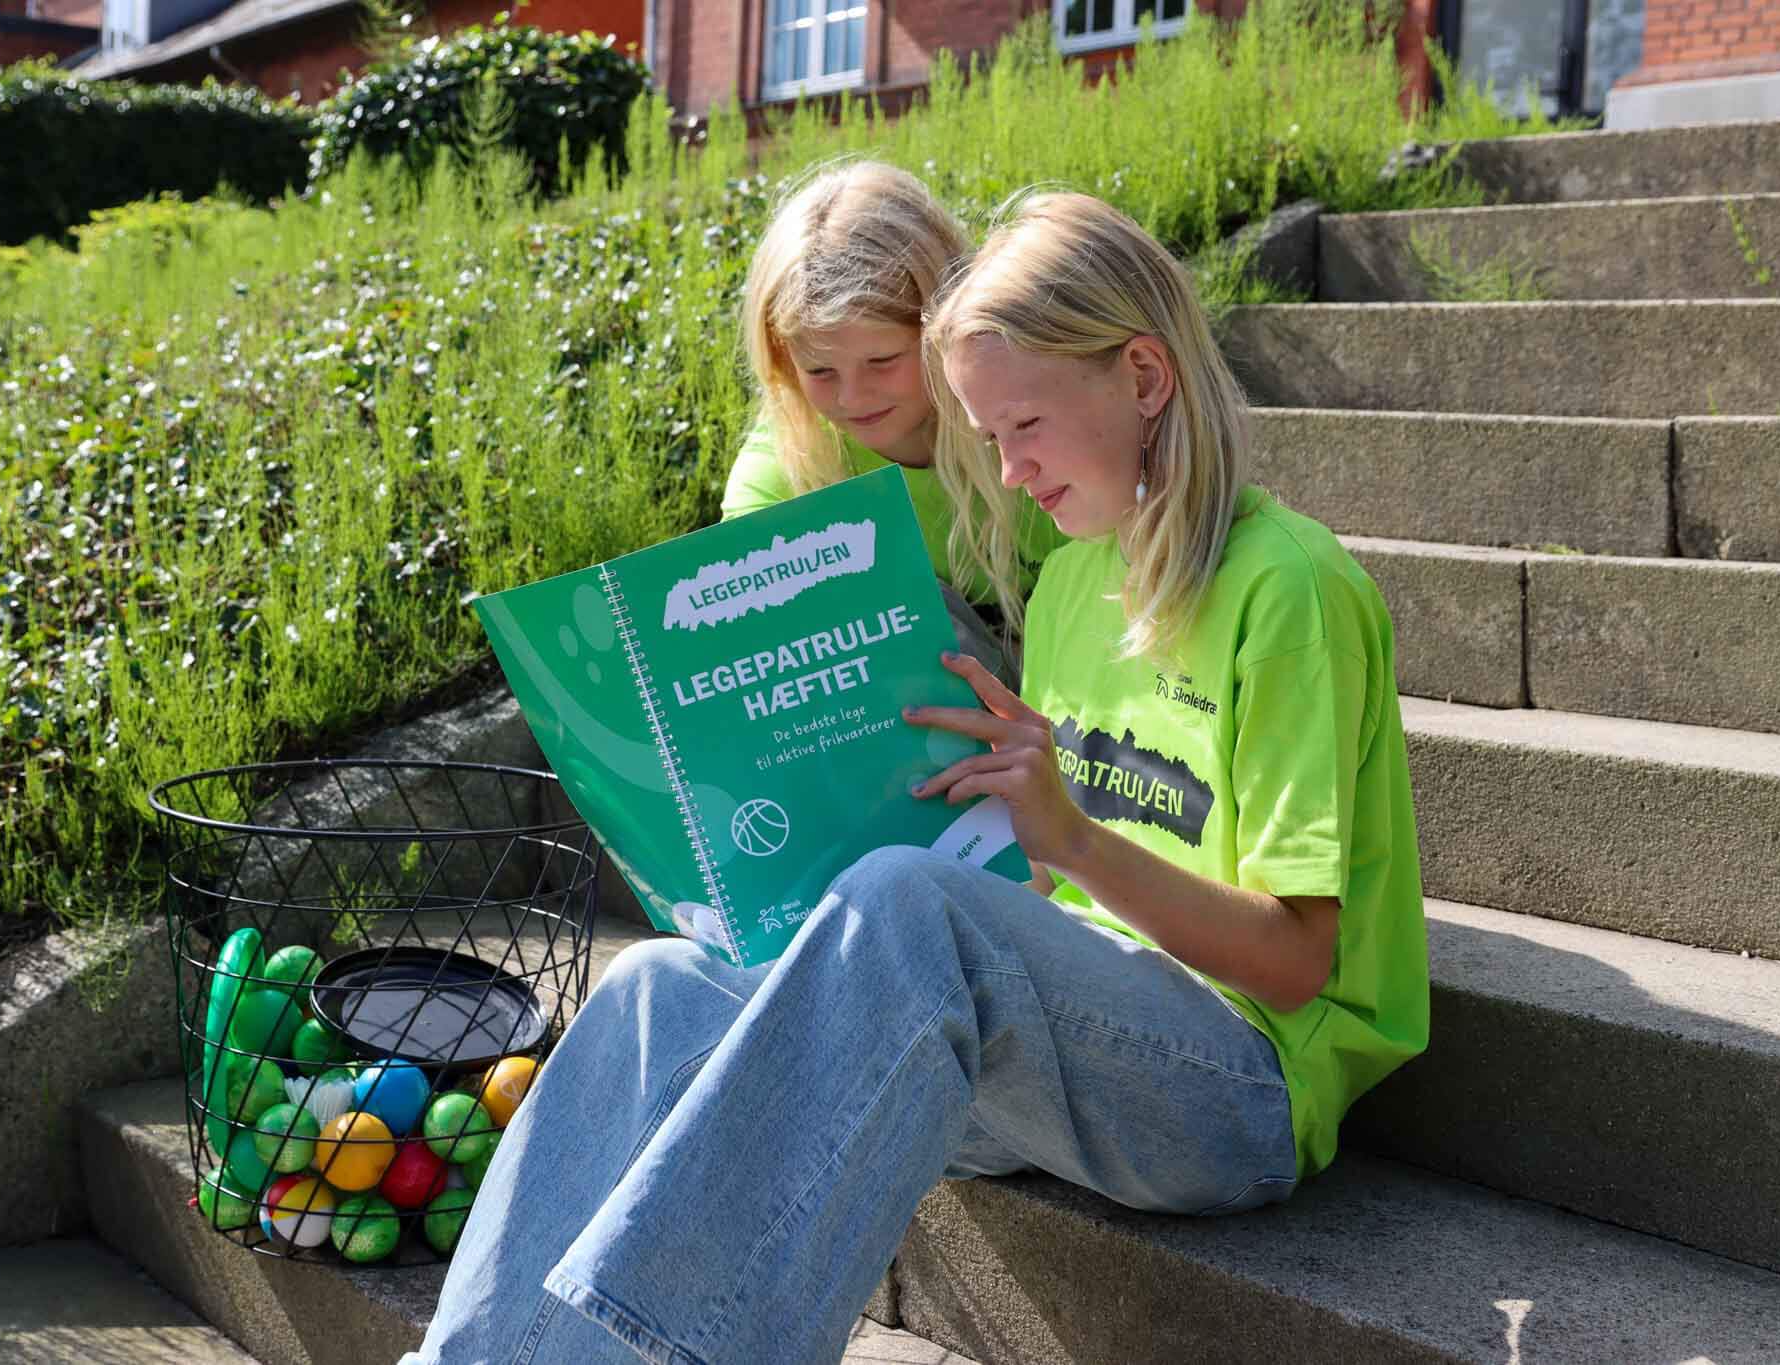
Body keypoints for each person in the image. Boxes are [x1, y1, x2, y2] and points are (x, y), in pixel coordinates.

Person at [406, 191, 1428, 1365]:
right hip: (1064, 1050)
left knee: (904, 903)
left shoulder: (1288, 590)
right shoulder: (1070, 584)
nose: (1007, 472)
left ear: (1143, 378)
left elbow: (1294, 965)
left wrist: (1067, 839)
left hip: (1238, 1082)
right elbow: (1042, 912)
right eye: (986, 438)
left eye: (1022, 426)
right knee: (659, 989)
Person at [723, 159, 1065, 683]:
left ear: (946, 324)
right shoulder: (786, 466)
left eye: (882, 361)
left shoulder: (1034, 414)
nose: (852, 397)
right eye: (819, 371)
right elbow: (750, 633)